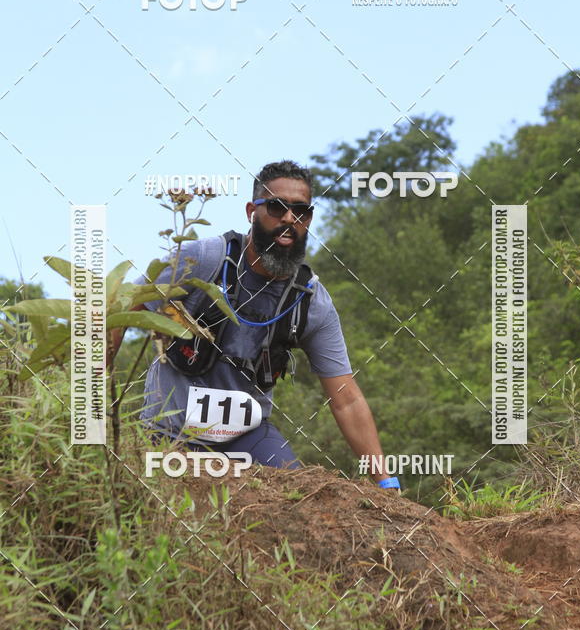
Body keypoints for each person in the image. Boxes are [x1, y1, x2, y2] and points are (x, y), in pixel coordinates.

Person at [111, 160, 399, 488]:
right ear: (252, 210)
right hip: (170, 432)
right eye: (276, 207)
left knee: (300, 497)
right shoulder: (202, 260)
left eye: (301, 211)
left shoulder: (311, 301)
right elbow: (120, 309)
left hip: (246, 438)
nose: (289, 219)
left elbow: (346, 398)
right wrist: (93, 411)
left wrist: (385, 481)